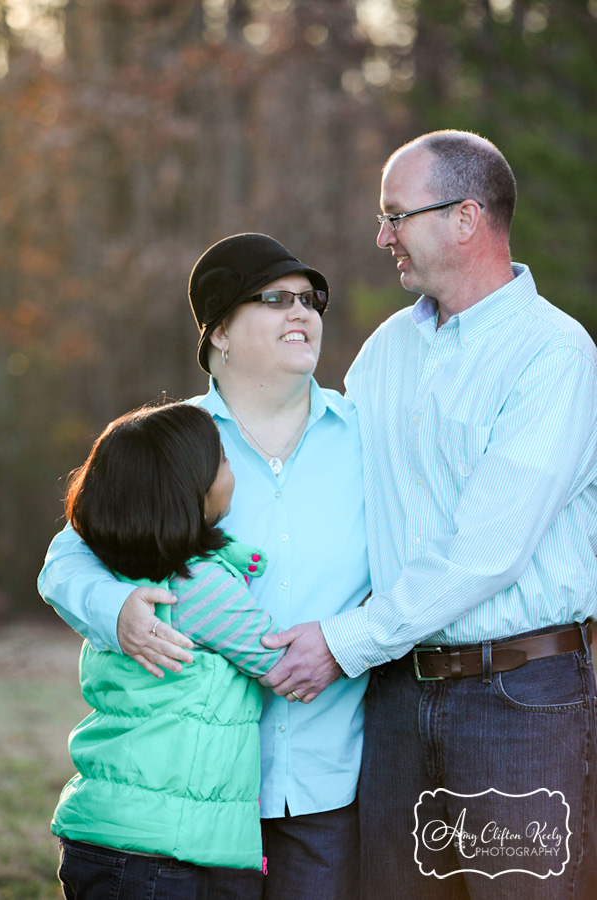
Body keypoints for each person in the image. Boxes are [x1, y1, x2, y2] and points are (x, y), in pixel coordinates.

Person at [259, 131, 597, 898]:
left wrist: (343, 642)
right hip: (397, 697)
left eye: (396, 216)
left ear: (466, 218)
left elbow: (487, 550)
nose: (382, 237)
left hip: (518, 702)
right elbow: (326, 494)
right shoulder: (384, 353)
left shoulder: (554, 355)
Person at [39, 234, 371, 900]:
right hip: (180, 796)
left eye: (311, 299)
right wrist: (118, 610)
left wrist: (352, 640)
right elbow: (67, 555)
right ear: (219, 330)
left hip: (329, 782)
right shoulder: (165, 443)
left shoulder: (369, 435)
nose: (301, 312)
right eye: (275, 299)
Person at [52, 401, 289, 899]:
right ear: (190, 490)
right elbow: (281, 662)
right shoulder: (197, 584)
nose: (232, 470)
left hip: (111, 838)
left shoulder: (122, 568)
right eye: (222, 459)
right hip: (163, 854)